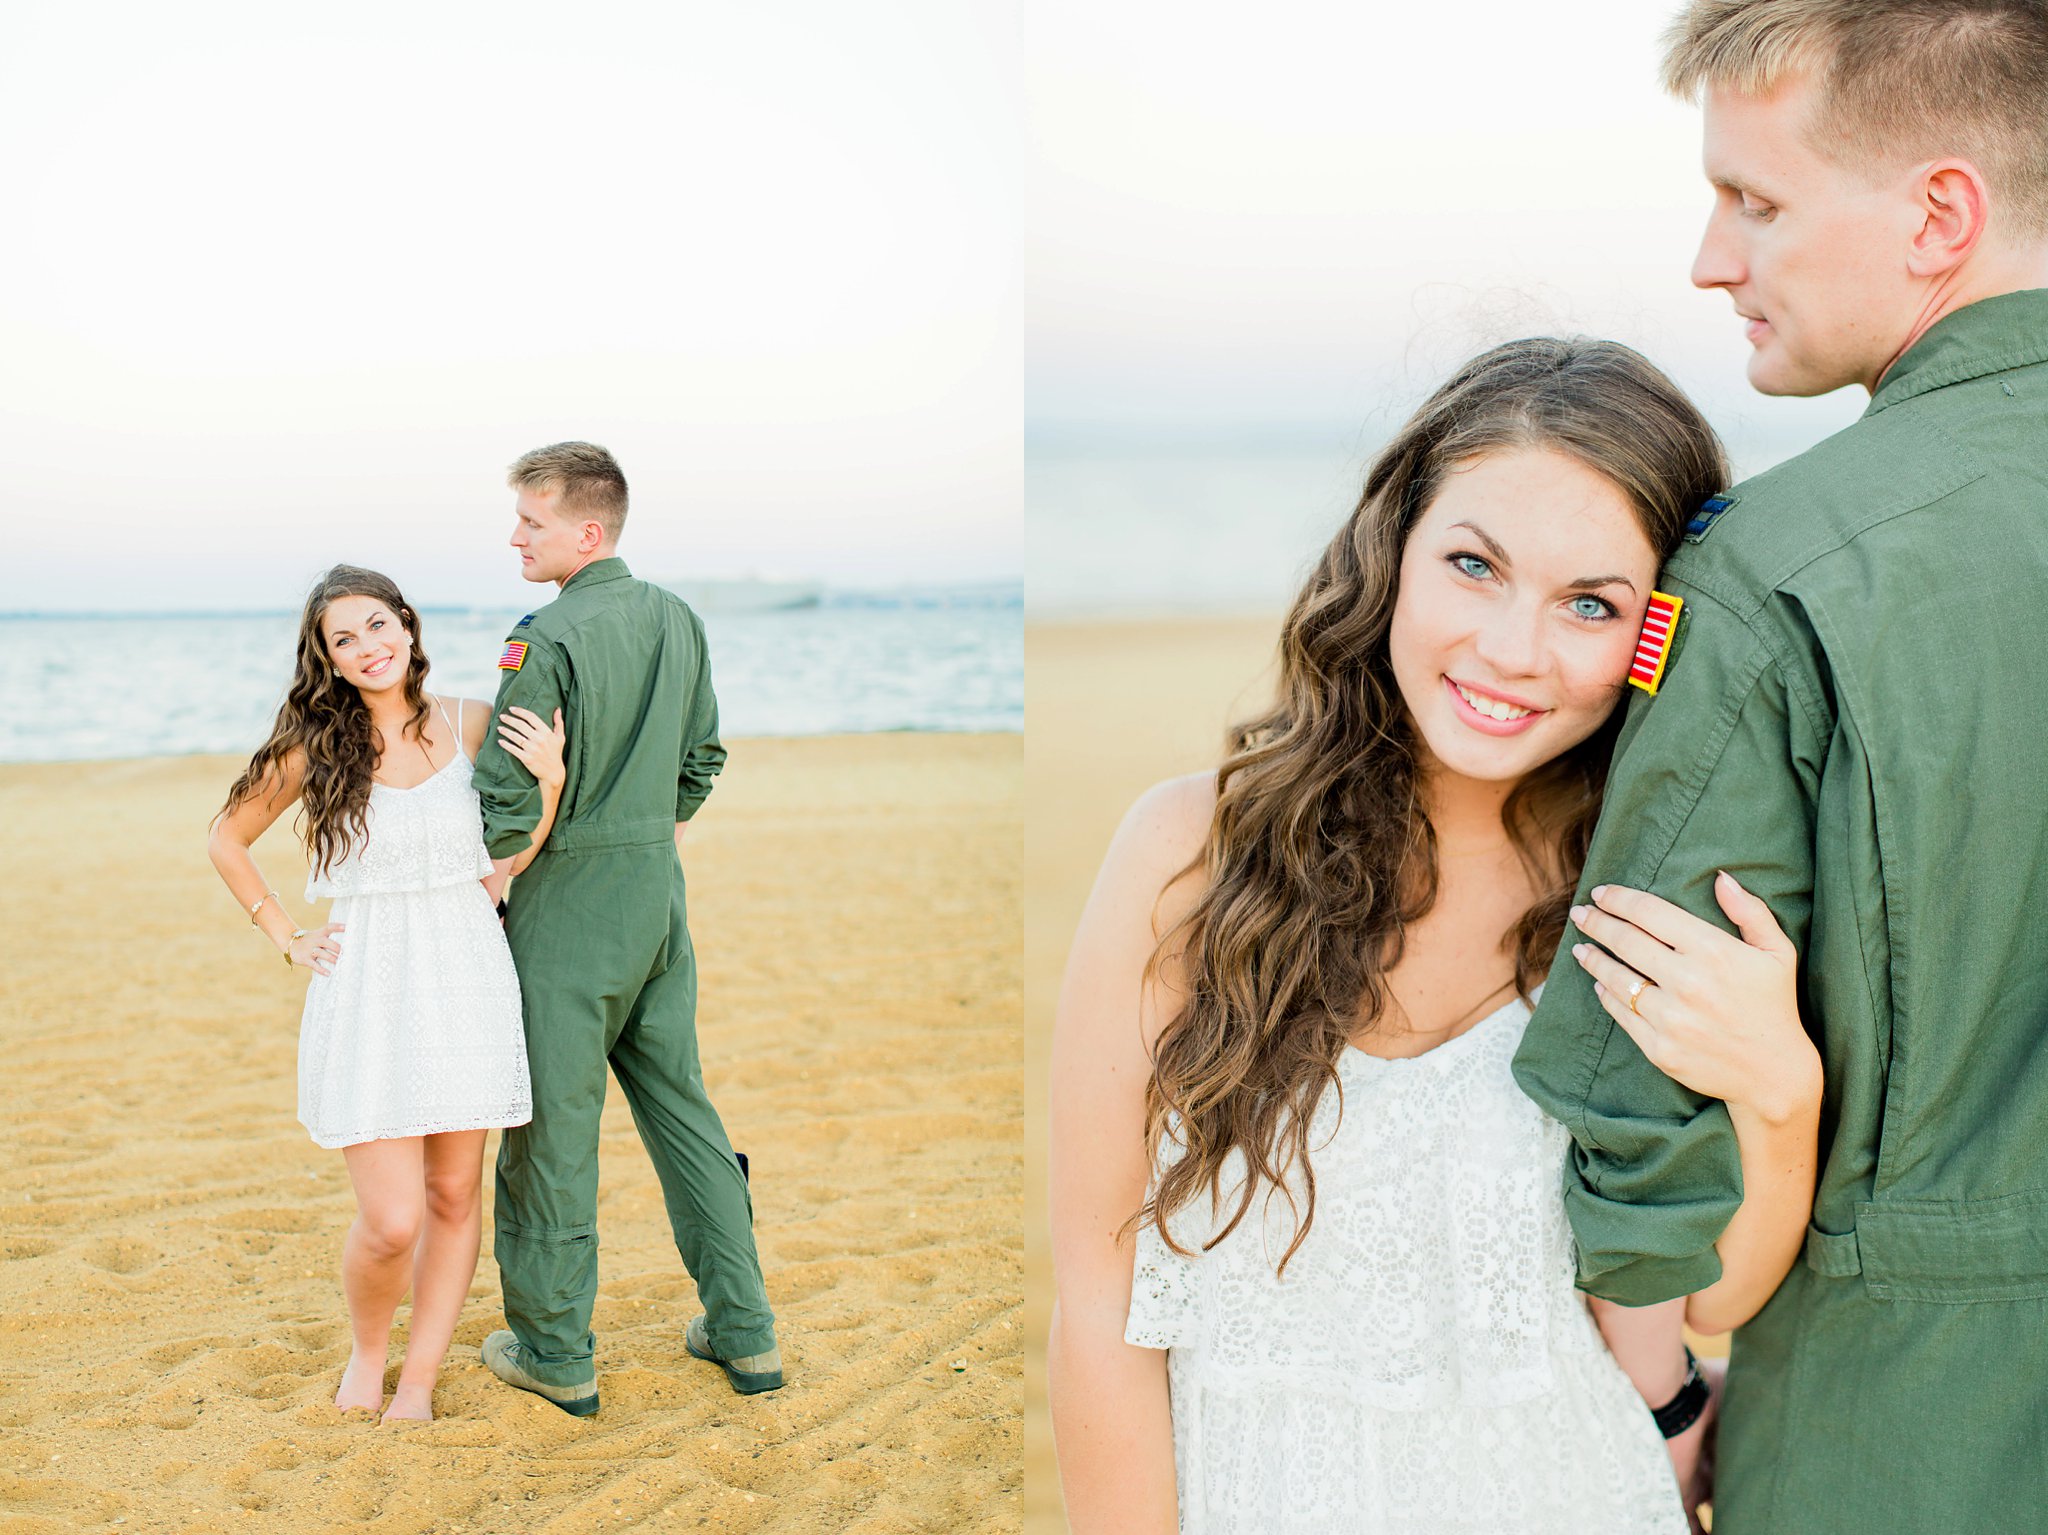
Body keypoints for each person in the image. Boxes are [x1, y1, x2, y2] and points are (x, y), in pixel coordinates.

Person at [1048, 339, 1822, 1534]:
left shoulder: (1646, 894)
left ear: (1655, 633)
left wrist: (1780, 1096)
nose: (1514, 650)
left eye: (1588, 604)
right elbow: (1099, 1298)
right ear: (1391, 555)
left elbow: (1705, 1296)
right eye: (1473, 565)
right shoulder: (1187, 856)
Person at [1511, 4, 2048, 1530]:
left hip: (1902, 1440)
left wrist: (1672, 1399)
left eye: (1754, 199)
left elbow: (1635, 1121)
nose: (1710, 257)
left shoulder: (1775, 573)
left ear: (1942, 212)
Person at [207, 565, 563, 1422]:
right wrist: (285, 933)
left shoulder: (470, 720)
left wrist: (548, 783)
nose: (368, 647)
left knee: (452, 1195)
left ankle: (419, 1379)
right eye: (345, 639)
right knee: (393, 1217)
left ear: (406, 623)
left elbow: (508, 857)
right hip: (368, 985)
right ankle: (369, 1354)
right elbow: (227, 836)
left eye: (378, 625)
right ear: (327, 659)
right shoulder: (313, 744)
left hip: (468, 973)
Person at [470, 441, 780, 1417]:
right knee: (684, 1112)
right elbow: (702, 758)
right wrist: (643, 833)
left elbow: (504, 807)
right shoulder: (678, 618)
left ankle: (555, 1350)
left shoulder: (546, 636)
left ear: (586, 529)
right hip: (657, 896)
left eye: (532, 519)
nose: (514, 534)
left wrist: (505, 868)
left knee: (551, 1134)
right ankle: (744, 1330)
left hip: (566, 907)